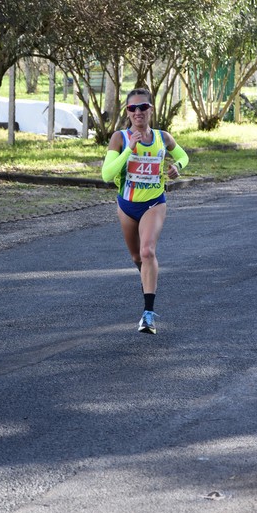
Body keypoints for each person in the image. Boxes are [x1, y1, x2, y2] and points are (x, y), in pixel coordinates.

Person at [101, 88, 189, 335]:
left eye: (143, 107)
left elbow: (182, 156)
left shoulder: (163, 137)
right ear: (127, 112)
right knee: (137, 258)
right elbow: (107, 175)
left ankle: (148, 315)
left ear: (151, 110)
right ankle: (149, 282)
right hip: (126, 206)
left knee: (148, 251)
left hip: (154, 203)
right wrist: (129, 149)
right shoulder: (119, 138)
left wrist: (178, 166)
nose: (138, 112)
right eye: (132, 108)